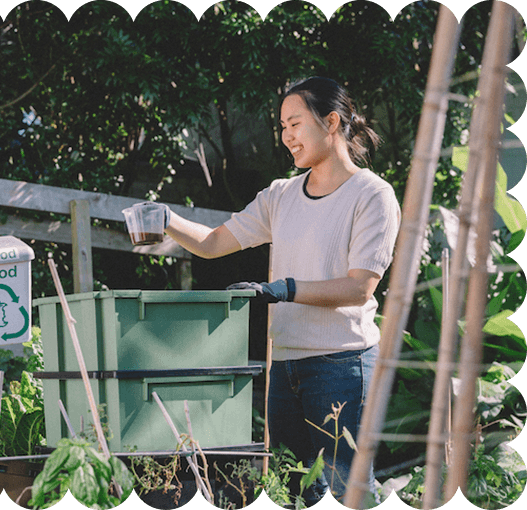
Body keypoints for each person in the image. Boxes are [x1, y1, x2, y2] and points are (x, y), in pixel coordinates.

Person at [162, 77, 400, 505]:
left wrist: (284, 289)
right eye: (282, 126)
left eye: (295, 123)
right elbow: (215, 242)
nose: (287, 136)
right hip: (286, 366)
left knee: (349, 490)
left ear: (330, 122)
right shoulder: (281, 195)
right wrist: (164, 219)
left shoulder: (372, 195)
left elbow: (359, 286)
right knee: (300, 490)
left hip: (342, 365)